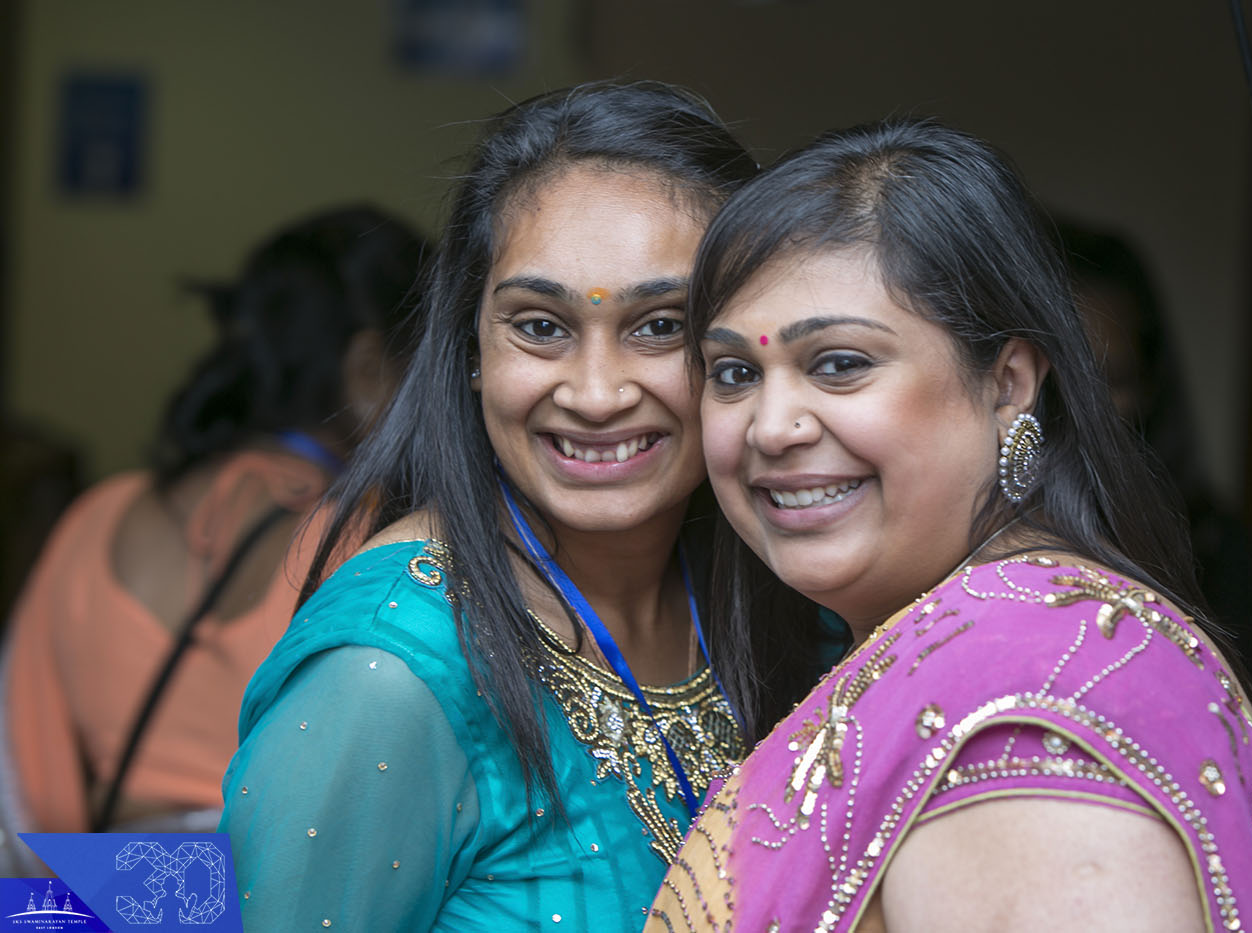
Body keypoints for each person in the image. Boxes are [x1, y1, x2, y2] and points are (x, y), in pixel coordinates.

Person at [647, 120, 1252, 931]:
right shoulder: (991, 638)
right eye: (734, 373)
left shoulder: (1023, 696)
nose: (771, 426)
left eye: (839, 363)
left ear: (1008, 382)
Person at [219, 82, 769, 932]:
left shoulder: (775, 596)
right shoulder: (388, 676)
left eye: (660, 325)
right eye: (540, 326)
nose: (595, 393)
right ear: (472, 347)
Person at [1, 205, 426, 848]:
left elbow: (22, 777)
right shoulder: (381, 546)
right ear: (369, 372)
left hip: (90, 897)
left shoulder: (99, 514)